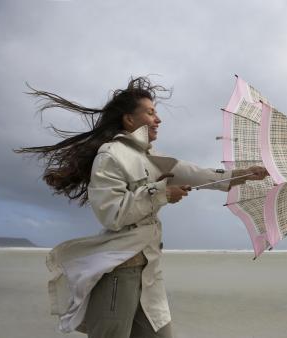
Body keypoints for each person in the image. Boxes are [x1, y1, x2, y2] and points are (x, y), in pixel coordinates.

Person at [14, 76, 268, 338]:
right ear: (129, 120)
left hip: (149, 272)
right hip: (118, 273)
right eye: (150, 113)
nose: (158, 119)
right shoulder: (110, 155)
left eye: (156, 113)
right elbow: (112, 215)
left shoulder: (151, 157)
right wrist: (161, 193)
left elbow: (199, 174)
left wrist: (245, 174)